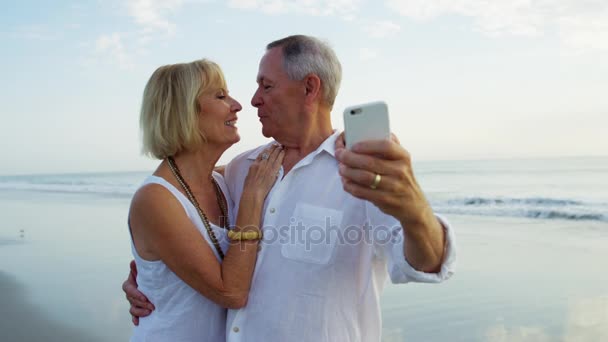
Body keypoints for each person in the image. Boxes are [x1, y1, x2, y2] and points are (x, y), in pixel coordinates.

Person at [125, 35, 456, 341]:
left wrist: (413, 208)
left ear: (310, 88)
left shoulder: (362, 173)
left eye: (266, 86)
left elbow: (426, 263)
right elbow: (177, 214)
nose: (252, 101)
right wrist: (149, 280)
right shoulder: (242, 171)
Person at [127, 58, 284, 341]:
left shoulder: (225, 180)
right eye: (220, 96)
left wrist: (344, 141)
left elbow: (299, 149)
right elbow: (231, 292)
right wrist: (251, 201)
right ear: (184, 111)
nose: (237, 105)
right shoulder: (155, 200)